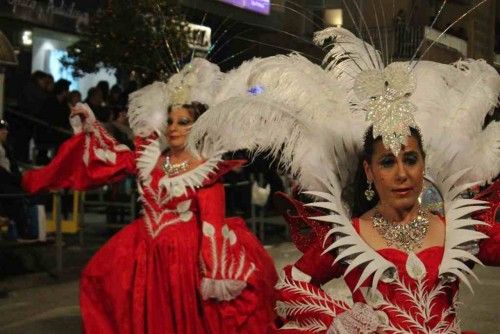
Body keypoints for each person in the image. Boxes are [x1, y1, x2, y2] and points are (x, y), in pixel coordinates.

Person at [186, 27, 500, 333]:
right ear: (369, 172)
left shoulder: (459, 230)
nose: (402, 173)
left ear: (423, 164)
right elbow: (291, 284)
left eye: (410, 159)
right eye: (387, 162)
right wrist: (341, 318)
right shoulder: (348, 237)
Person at [22, 59, 278, 334]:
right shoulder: (150, 156)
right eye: (170, 121)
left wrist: (216, 271)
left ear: (198, 126)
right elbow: (110, 160)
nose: (174, 128)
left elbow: (213, 223)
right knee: (102, 279)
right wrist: (92, 125)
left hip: (184, 259)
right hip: (143, 249)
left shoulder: (207, 169)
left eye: (183, 122)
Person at [0, 120, 34, 241]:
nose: (5, 132)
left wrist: (18, 178)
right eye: (2, 130)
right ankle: (22, 232)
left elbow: (11, 166)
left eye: (5, 130)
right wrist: (16, 179)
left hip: (9, 181)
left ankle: (25, 229)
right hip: (3, 183)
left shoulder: (5, 147)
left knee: (26, 195)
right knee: (16, 198)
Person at [34, 79, 72, 164]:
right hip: (48, 132)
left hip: (59, 132)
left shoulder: (64, 104)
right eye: (67, 90)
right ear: (63, 91)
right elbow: (48, 118)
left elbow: (66, 119)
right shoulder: (50, 102)